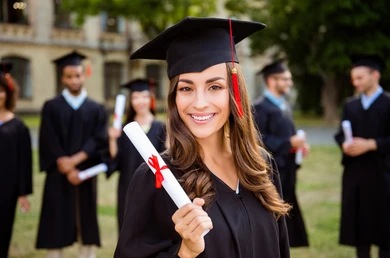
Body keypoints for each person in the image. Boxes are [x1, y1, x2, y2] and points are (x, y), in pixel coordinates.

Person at [114, 17, 291, 258]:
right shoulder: (156, 178)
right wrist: (185, 252)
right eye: (186, 88)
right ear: (174, 98)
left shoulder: (261, 165)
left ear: (234, 92)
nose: (199, 103)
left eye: (215, 87)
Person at [36, 51, 108, 258]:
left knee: (85, 221)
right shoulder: (51, 107)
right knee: (56, 219)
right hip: (58, 174)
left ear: (84, 75)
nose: (74, 80)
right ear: (62, 78)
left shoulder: (96, 108)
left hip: (84, 173)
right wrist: (63, 163)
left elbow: (99, 138)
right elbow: (48, 138)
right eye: (69, 76)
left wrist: (75, 161)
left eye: (77, 75)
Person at [334, 54, 390, 258]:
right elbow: (340, 134)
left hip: (382, 174)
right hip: (356, 174)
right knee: (360, 230)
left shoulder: (387, 103)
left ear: (375, 75)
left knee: (385, 229)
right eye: (353, 78)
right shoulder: (351, 105)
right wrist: (345, 145)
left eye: (360, 77)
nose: (355, 82)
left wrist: (372, 144)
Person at [253, 59, 310, 247]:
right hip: (272, 170)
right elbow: (258, 140)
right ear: (271, 81)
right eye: (285, 79)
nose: (289, 83)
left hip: (288, 168)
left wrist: (298, 146)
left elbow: (288, 135)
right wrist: (288, 143)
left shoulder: (284, 105)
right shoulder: (260, 107)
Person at [107, 78, 166, 231]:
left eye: (145, 96)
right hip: (128, 185)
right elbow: (115, 160)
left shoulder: (161, 128)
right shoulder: (124, 129)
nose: (140, 101)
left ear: (150, 99)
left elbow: (166, 160)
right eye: (135, 97)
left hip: (154, 188)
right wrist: (113, 139)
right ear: (131, 101)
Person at [0, 61, 32, 258]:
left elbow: (25, 162)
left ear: (8, 92)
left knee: (2, 232)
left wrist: (23, 194)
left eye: (1, 90)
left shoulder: (18, 127)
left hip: (6, 190)